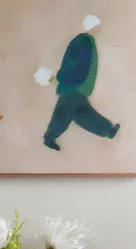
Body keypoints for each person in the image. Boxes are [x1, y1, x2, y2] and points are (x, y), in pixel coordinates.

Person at [38, 14, 120, 150]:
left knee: (82, 114)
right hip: (73, 85)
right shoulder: (84, 40)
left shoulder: (86, 40)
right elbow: (74, 63)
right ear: (92, 26)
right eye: (97, 26)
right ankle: (49, 138)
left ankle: (107, 130)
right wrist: (69, 79)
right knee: (64, 113)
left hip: (76, 86)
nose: (99, 29)